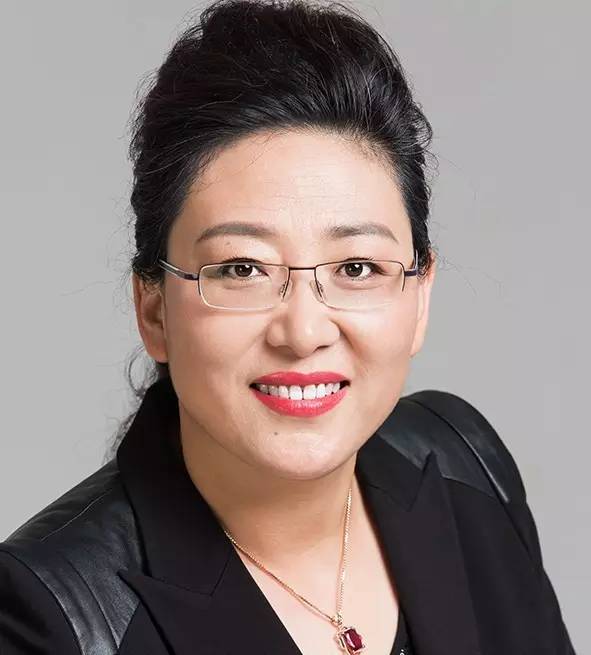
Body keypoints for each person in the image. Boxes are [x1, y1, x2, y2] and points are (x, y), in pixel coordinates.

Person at [0, 1, 576, 653]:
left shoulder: (464, 467)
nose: (302, 332)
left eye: (356, 266)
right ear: (153, 309)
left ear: (419, 296)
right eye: (242, 268)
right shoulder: (48, 615)